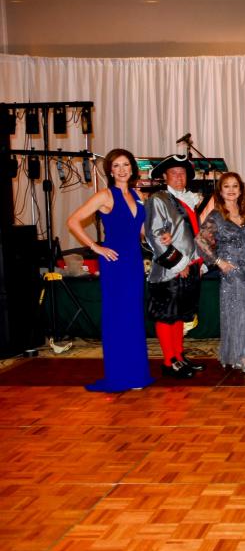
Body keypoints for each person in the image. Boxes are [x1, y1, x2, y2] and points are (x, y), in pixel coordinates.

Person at [66, 148, 154, 392]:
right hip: (115, 262)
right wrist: (96, 247)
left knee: (133, 317)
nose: (122, 169)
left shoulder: (137, 195)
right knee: (118, 319)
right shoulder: (105, 195)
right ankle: (119, 375)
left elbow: (141, 232)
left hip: (134, 260)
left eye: (126, 164)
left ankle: (136, 375)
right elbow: (73, 221)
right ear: (110, 170)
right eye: (117, 165)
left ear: (132, 168)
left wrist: (161, 238)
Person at [143, 154, 205, 379]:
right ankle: (169, 361)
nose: (179, 177)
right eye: (174, 173)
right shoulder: (158, 199)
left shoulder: (187, 198)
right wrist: (179, 263)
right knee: (166, 315)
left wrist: (198, 260)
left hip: (191, 265)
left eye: (183, 173)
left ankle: (178, 356)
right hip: (170, 269)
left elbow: (191, 233)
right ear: (165, 176)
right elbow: (156, 235)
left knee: (178, 315)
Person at [195, 173, 245, 374]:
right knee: (240, 312)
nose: (231, 190)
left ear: (241, 190)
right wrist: (218, 262)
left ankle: (234, 355)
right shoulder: (216, 215)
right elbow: (200, 240)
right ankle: (243, 357)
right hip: (230, 271)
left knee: (238, 313)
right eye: (227, 186)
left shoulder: (244, 212)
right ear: (220, 190)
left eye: (235, 186)